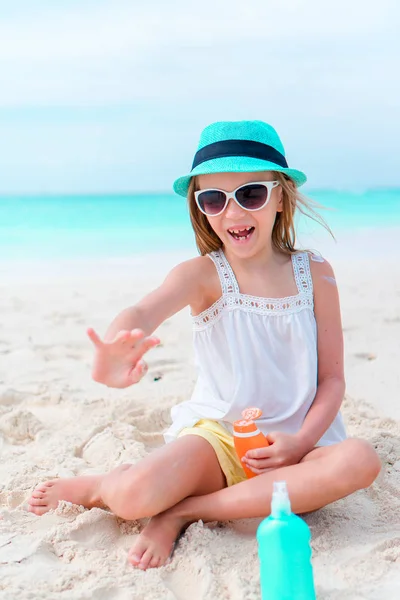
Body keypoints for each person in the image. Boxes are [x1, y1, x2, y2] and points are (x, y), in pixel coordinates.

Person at [28, 120, 381, 570]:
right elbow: (143, 312)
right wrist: (117, 346)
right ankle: (100, 486)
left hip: (301, 449)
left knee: (360, 460)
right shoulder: (202, 275)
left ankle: (185, 511)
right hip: (220, 440)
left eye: (250, 194)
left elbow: (331, 379)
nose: (233, 213)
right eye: (213, 198)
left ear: (280, 196)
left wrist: (300, 442)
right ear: (200, 208)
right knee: (135, 496)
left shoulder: (315, 272)